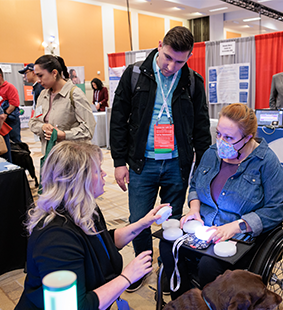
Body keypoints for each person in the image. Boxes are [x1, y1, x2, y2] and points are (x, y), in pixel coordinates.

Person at [110, 26, 211, 291]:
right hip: (142, 163)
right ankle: (142, 267)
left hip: (177, 164)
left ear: (189, 56)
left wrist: (203, 168)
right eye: (167, 57)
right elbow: (118, 120)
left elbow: (201, 127)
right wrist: (119, 161)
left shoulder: (193, 81)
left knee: (173, 220)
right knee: (139, 219)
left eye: (180, 60)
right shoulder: (134, 75)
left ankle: (169, 267)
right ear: (159, 45)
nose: (171, 65)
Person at [15, 141, 169, 310]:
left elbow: (104, 243)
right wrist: (127, 277)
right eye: (98, 170)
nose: (104, 174)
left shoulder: (85, 208)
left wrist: (143, 223)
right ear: (78, 179)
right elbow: (76, 306)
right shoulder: (56, 238)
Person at [160, 103, 283, 300]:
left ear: (248, 138)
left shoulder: (266, 162)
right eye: (219, 134)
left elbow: (276, 208)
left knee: (209, 265)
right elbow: (195, 184)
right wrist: (194, 209)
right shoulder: (212, 153)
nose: (221, 141)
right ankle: (183, 299)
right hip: (205, 227)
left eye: (228, 137)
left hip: (240, 237)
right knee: (167, 245)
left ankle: (207, 303)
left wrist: (236, 226)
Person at [28, 55, 96, 155]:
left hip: (72, 158)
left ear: (54, 73)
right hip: (50, 156)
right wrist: (43, 127)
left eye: (40, 75)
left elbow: (88, 130)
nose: (38, 80)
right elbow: (33, 122)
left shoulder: (75, 94)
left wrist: (64, 135)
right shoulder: (43, 95)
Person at [0, 68, 21, 143]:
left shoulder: (9, 87)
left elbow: (14, 104)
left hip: (10, 118)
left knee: (14, 140)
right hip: (2, 119)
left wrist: (5, 114)